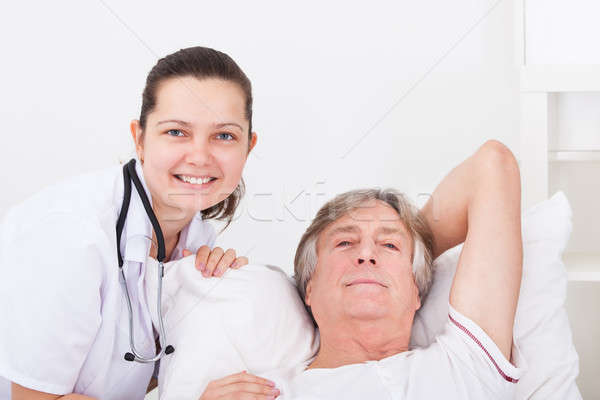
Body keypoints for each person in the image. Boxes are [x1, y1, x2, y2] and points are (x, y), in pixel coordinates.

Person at [0, 46, 258, 400]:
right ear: (139, 138)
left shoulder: (196, 236)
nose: (200, 156)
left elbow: (134, 366)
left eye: (224, 135)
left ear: (249, 146)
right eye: (176, 132)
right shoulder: (72, 235)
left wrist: (223, 302)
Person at [199, 140, 525, 399]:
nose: (366, 254)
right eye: (345, 243)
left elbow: (492, 165)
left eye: (388, 246)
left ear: (417, 290)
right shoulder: (262, 392)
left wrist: (415, 248)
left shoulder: (463, 368)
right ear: (309, 287)